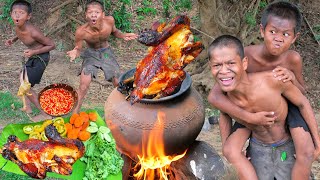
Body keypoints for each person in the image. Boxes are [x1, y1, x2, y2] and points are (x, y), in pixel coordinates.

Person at [208, 1, 320, 179]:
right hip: (247, 105)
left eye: (285, 34)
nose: (278, 38)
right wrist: (249, 118)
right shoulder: (246, 56)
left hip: (285, 105)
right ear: (262, 31)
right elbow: (216, 96)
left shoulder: (293, 59)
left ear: (294, 37)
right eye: (273, 32)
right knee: (230, 150)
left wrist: (291, 76)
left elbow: (301, 94)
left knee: (305, 152)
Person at [66, 0, 138, 113]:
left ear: (103, 14)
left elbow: (115, 32)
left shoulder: (109, 21)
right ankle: (75, 113)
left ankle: (126, 109)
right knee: (84, 85)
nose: (93, 15)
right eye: (90, 12)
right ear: (86, 15)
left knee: (118, 82)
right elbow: (78, 48)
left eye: (97, 12)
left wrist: (123, 35)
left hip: (106, 52)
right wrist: (75, 52)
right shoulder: (81, 32)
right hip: (91, 54)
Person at [5, 0, 55, 121]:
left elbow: (52, 45)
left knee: (25, 85)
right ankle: (27, 107)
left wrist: (34, 52)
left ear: (28, 16)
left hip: (41, 57)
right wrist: (13, 40)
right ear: (11, 14)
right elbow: (20, 34)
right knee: (22, 79)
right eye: (15, 12)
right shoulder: (18, 27)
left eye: (21, 13)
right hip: (33, 56)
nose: (17, 15)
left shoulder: (33, 31)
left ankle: (45, 113)